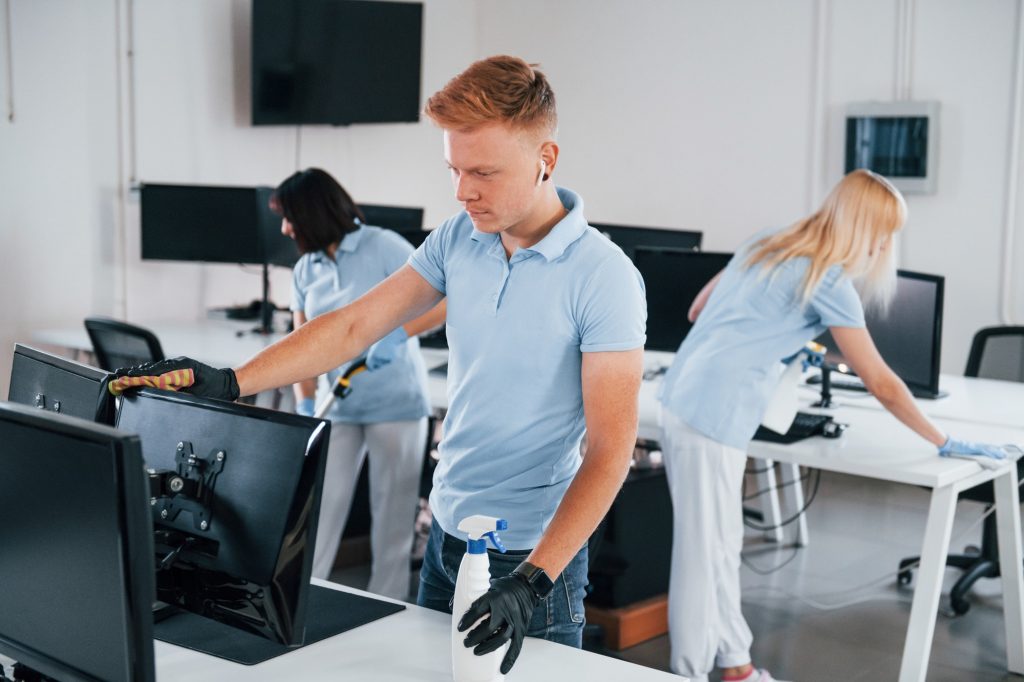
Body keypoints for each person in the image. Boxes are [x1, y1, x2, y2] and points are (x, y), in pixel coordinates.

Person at [113, 55, 646, 675]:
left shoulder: (603, 277)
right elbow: (353, 325)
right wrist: (231, 381)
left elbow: (611, 452)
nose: (462, 191)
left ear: (545, 159)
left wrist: (533, 580)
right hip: (447, 535)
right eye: (454, 170)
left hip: (531, 558)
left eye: (483, 172)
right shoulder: (460, 237)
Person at [658, 169, 1015, 682]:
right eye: (884, 232)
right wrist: (943, 439)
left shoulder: (769, 241)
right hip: (713, 415)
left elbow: (699, 310)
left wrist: (777, 337)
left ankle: (737, 665)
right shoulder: (828, 281)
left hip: (682, 397)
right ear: (866, 227)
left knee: (716, 545)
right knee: (704, 553)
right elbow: (882, 382)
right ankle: (686, 673)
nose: (885, 245)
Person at [270, 167, 443, 599]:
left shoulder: (382, 246)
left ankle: (387, 609)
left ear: (313, 212)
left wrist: (398, 333)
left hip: (395, 405)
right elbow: (303, 346)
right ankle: (303, 604)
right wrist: (305, 405)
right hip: (339, 407)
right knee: (318, 513)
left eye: (289, 216)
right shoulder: (305, 270)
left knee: (393, 522)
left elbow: (443, 300)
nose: (285, 228)